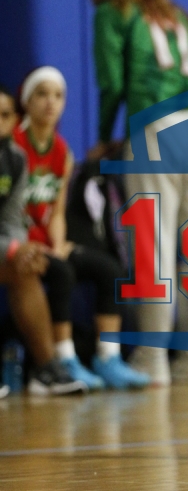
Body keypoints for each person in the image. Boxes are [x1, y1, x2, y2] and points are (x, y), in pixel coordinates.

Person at [86, 0, 188, 387]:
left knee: (153, 241)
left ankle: (152, 354)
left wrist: (105, 136)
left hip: (154, 125)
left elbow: (112, 82)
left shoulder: (113, 11)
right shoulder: (174, 13)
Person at [13, 67, 149, 390]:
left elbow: (57, 211)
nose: (50, 102)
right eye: (42, 94)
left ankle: (108, 357)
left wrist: (58, 243)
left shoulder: (62, 152)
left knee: (109, 269)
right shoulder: (14, 147)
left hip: (46, 241)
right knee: (62, 272)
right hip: (19, 243)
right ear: (27, 101)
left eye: (58, 96)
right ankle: (63, 359)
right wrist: (33, 245)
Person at [0, 84, 85, 396]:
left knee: (26, 268)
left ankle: (46, 369)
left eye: (4, 115)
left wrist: (20, 249)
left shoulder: (14, 159)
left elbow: (11, 219)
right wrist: (13, 248)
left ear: (14, 120)